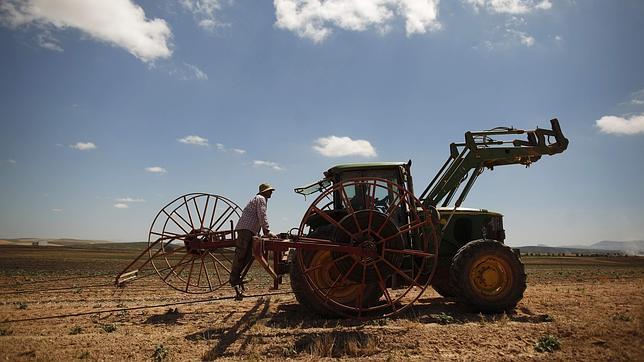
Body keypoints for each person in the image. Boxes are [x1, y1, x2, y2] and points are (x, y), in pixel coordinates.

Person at [229, 183, 276, 299]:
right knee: (241, 253)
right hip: (246, 229)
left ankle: (237, 277)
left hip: (250, 230)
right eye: (269, 191)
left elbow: (259, 216)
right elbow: (262, 215)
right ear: (264, 191)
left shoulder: (260, 199)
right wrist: (267, 231)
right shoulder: (261, 199)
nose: (271, 193)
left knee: (250, 254)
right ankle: (234, 278)